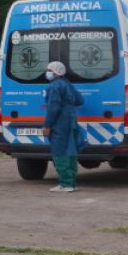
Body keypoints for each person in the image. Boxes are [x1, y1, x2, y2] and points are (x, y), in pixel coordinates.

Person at [44, 59, 84, 193]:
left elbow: (53, 108)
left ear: (56, 72)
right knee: (70, 151)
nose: (47, 72)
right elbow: (79, 100)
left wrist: (47, 125)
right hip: (70, 121)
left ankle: (65, 183)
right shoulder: (67, 84)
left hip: (59, 123)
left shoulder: (54, 87)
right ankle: (71, 183)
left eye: (49, 70)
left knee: (59, 152)